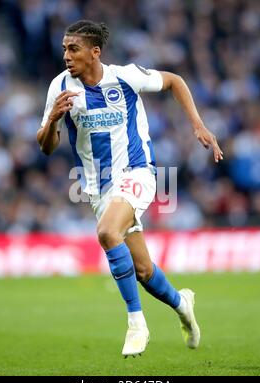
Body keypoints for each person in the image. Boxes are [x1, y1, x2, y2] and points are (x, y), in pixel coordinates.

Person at [37, 20, 223, 357]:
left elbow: (174, 81)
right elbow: (46, 146)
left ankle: (137, 324)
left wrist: (198, 124)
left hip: (138, 172)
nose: (66, 55)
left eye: (73, 48)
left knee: (108, 233)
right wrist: (51, 120)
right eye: (64, 48)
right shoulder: (59, 87)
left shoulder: (125, 77)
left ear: (95, 52)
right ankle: (183, 304)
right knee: (143, 270)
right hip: (98, 189)